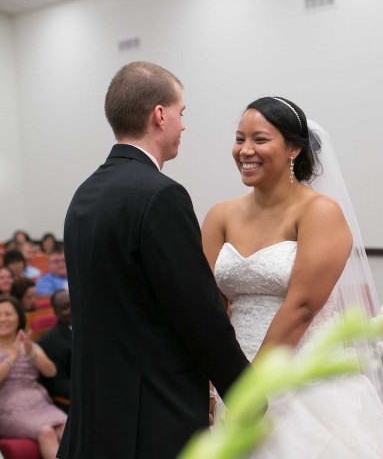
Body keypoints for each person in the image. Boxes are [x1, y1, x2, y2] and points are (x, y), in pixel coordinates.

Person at [60, 61, 250, 459]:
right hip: (153, 409)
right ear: (159, 115)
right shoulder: (161, 195)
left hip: (98, 407)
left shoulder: (85, 192)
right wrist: (247, 391)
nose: (183, 125)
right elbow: (197, 311)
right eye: (182, 114)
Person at [202, 96, 383, 458]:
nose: (245, 150)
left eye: (259, 139)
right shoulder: (220, 215)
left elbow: (303, 306)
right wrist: (215, 382)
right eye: (239, 138)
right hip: (231, 374)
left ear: (294, 147)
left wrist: (251, 386)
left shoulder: (319, 212)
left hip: (303, 381)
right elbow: (207, 303)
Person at [0, 295, 67, 459]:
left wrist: (31, 353)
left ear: (19, 317)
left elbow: (50, 372)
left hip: (40, 404)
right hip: (9, 410)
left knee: (68, 427)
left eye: (8, 314)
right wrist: (13, 356)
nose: (3, 319)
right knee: (46, 432)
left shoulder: (29, 345)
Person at [36, 290, 72, 413]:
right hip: (77, 401)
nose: (73, 310)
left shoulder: (93, 329)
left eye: (74, 303)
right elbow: (59, 385)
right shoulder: (49, 342)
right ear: (56, 313)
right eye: (66, 307)